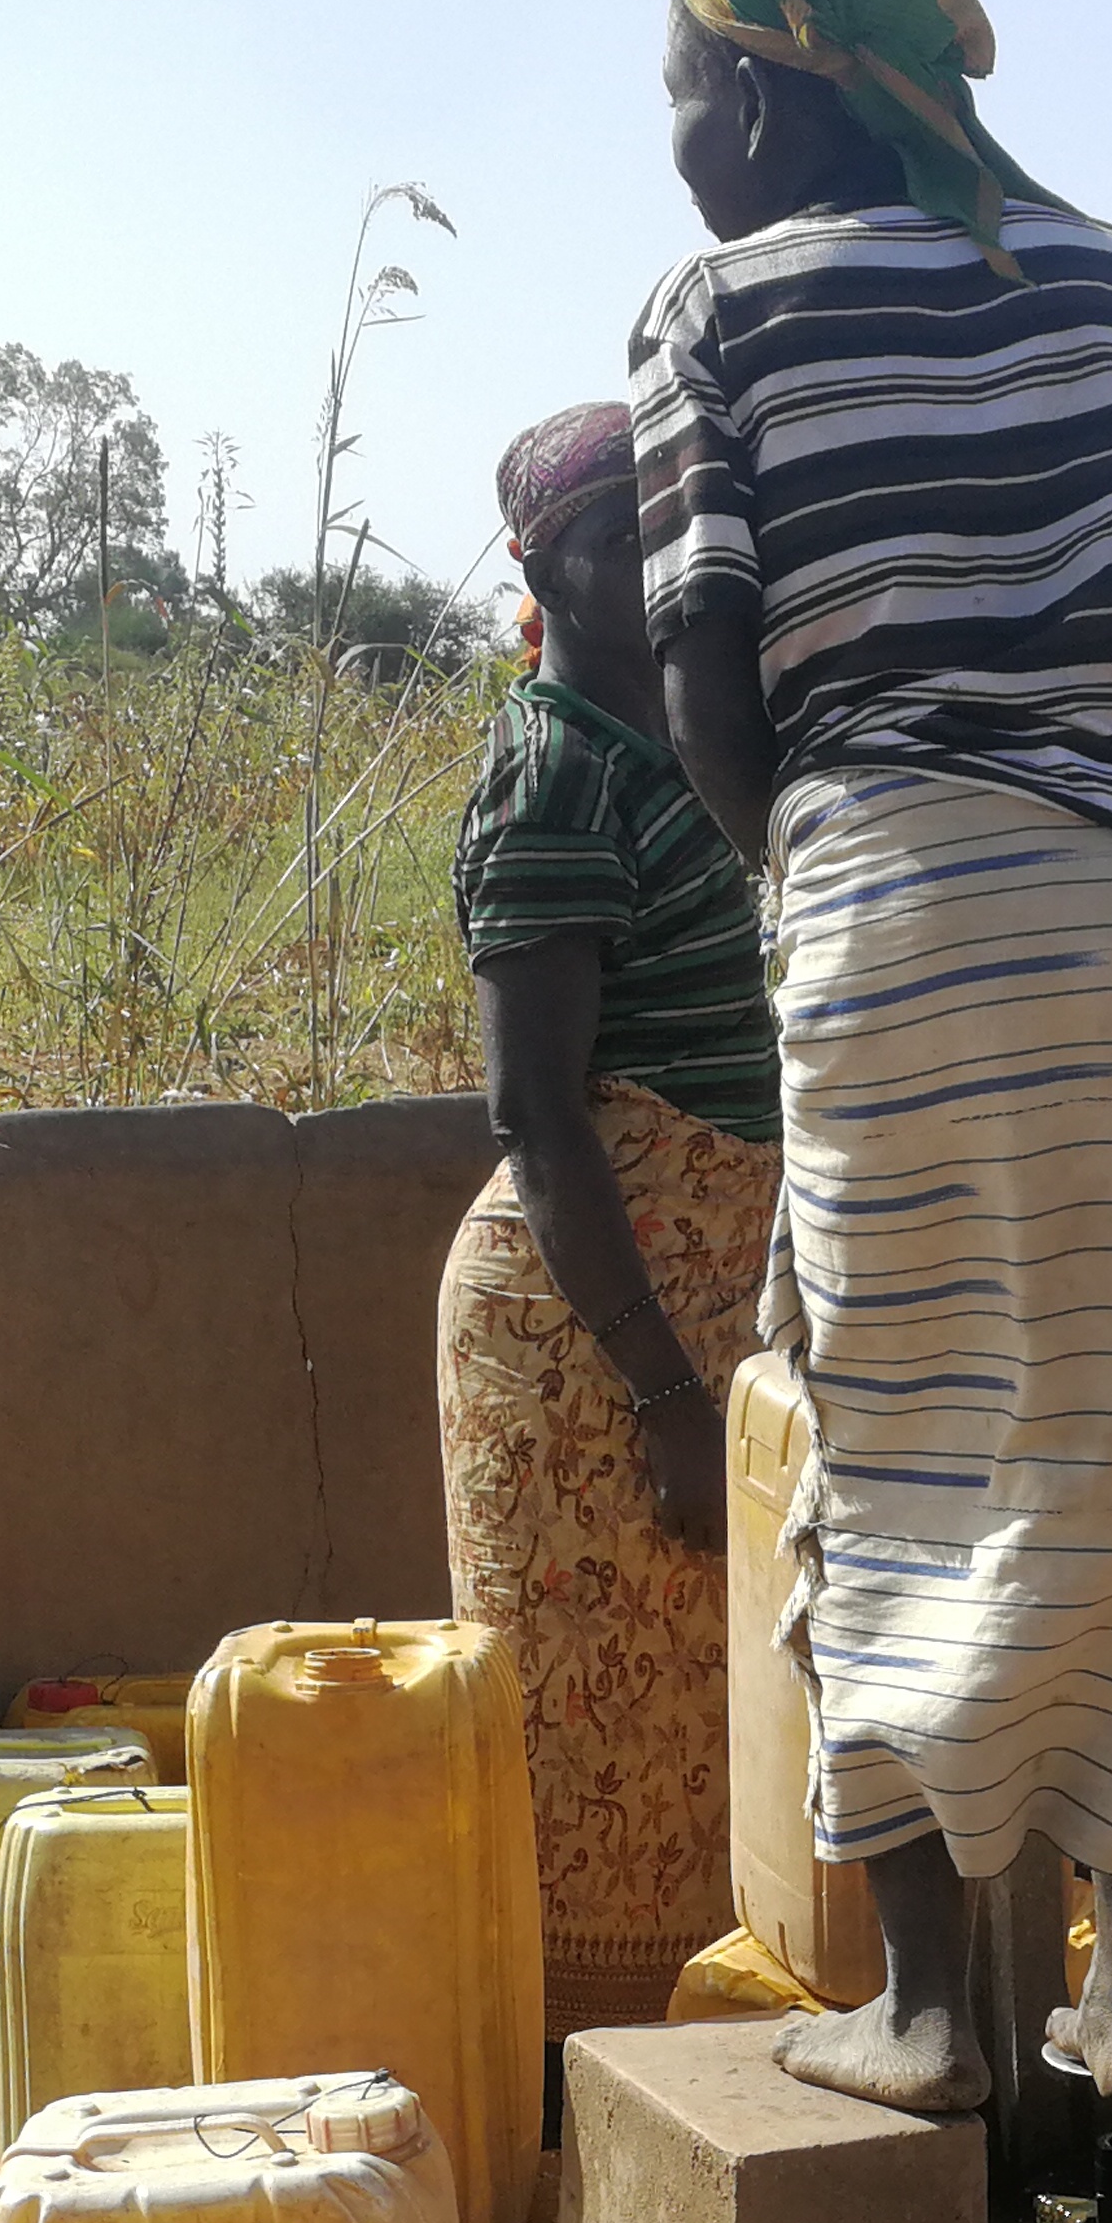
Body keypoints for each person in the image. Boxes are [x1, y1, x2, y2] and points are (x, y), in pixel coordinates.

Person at [630, 0, 1112, 2115]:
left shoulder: (718, 306)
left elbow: (708, 692)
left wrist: (824, 884)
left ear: (785, 90)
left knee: (885, 1441)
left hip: (904, 907)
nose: (682, 141)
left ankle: (924, 2015)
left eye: (694, 92)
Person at [437, 401, 786, 2041]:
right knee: (596, 1781)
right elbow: (536, 1111)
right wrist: (662, 1396)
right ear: (551, 565)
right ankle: (592, 2133)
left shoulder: (695, 732)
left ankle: (704, 2114)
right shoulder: (552, 770)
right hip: (594, 1354)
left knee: (718, 1746)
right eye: (621, 538)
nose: (660, 564)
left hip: (708, 1325)